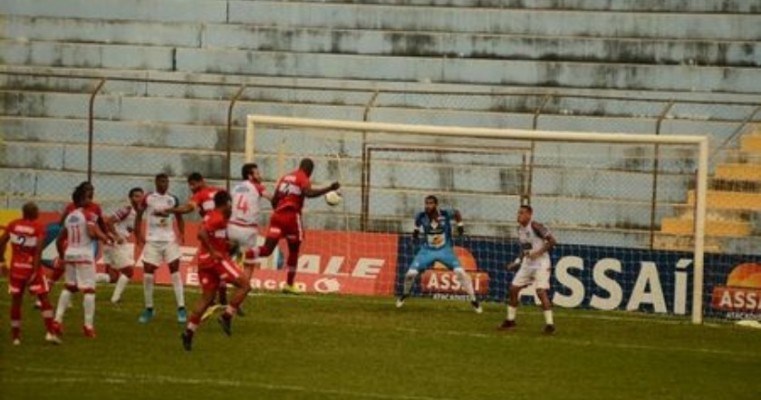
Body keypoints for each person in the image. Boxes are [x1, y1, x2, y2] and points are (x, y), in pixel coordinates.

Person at [245, 158, 340, 294]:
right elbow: (309, 193)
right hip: (291, 218)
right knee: (294, 250)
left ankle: (246, 253)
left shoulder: (285, 177)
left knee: (266, 249)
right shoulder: (303, 178)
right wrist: (329, 188)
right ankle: (289, 284)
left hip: (277, 216)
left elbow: (275, 199)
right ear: (310, 170)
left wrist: (279, 210)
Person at [182, 191, 251, 351]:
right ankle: (226, 316)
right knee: (245, 285)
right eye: (231, 203)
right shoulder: (218, 217)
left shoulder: (212, 216)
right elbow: (201, 233)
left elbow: (210, 234)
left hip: (204, 261)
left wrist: (227, 244)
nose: (232, 207)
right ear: (226, 203)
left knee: (206, 299)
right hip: (216, 260)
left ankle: (189, 331)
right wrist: (214, 251)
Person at [396, 195, 482, 313]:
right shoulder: (421, 216)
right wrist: (415, 234)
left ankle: (474, 300)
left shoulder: (445, 214)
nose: (427, 206)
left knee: (460, 273)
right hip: (427, 251)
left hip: (445, 250)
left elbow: (457, 213)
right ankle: (405, 294)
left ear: (436, 205)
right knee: (410, 274)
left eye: (430, 203)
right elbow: (416, 226)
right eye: (426, 203)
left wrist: (460, 226)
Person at [163, 172, 231, 309]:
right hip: (225, 229)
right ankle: (222, 295)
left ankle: (210, 296)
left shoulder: (200, 195)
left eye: (193, 184)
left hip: (210, 230)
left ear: (200, 181)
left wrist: (171, 210)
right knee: (223, 260)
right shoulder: (219, 191)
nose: (191, 188)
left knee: (206, 263)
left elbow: (188, 208)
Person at [54, 186, 114, 338]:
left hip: (70, 254)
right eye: (88, 197)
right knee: (89, 291)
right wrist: (106, 238)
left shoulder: (69, 216)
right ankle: (88, 326)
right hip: (84, 254)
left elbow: (60, 239)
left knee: (69, 287)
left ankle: (57, 320)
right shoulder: (88, 215)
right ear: (81, 199)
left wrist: (62, 256)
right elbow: (91, 232)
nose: (90, 200)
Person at [0, 202, 61, 345]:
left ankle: (15, 337)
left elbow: (2, 241)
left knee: (16, 301)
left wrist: (2, 261)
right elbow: (38, 251)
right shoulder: (38, 228)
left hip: (16, 269)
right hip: (31, 268)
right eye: (37, 210)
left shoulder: (13, 224)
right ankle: (50, 332)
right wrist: (34, 271)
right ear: (33, 213)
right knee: (44, 299)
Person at [134, 173, 186, 324]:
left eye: (166, 181)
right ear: (156, 183)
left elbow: (179, 217)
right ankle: (149, 309)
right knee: (148, 272)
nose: (165, 184)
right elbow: (139, 215)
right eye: (162, 181)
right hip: (152, 240)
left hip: (169, 240)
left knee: (175, 270)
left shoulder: (172, 199)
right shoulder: (148, 198)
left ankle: (181, 308)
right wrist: (138, 234)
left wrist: (182, 233)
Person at [499, 205, 557, 334]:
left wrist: (539, 253)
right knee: (513, 289)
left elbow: (552, 241)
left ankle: (550, 325)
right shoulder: (519, 229)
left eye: (522, 213)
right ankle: (510, 321)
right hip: (528, 263)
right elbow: (525, 249)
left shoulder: (535, 226)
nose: (518, 215)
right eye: (518, 213)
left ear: (529, 215)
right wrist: (517, 262)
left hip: (541, 262)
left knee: (540, 291)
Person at [228, 163, 272, 283]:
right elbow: (271, 198)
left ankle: (222, 287)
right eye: (257, 173)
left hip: (231, 226)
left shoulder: (235, 188)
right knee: (248, 263)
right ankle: (242, 288)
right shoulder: (258, 186)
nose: (260, 175)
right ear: (250, 176)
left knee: (228, 259)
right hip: (247, 230)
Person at [100, 187, 144, 304]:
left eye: (141, 196)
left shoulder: (139, 213)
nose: (139, 198)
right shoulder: (126, 210)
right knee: (128, 271)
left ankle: (84, 280)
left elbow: (135, 230)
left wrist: (142, 241)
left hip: (118, 243)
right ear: (130, 198)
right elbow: (109, 221)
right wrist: (116, 236)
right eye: (136, 196)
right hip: (115, 243)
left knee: (113, 278)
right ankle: (115, 298)